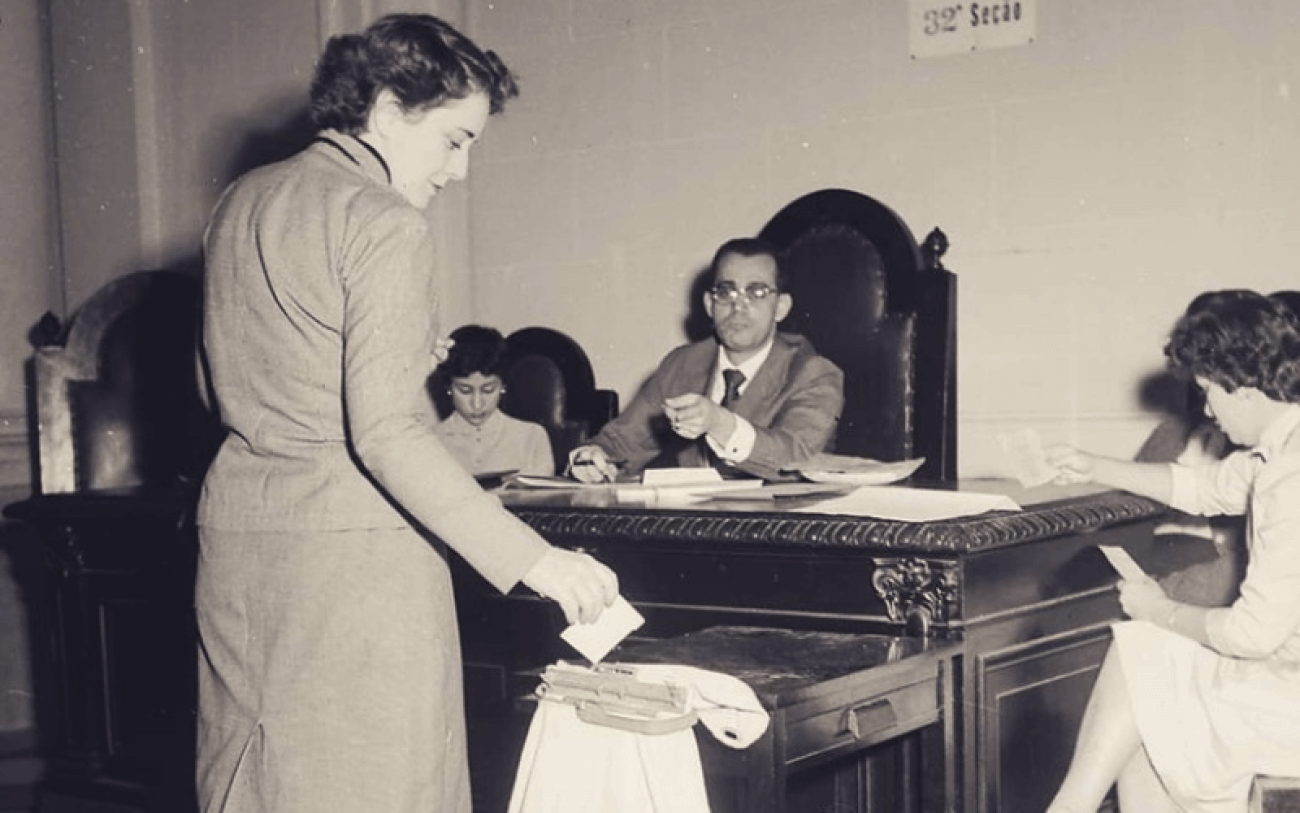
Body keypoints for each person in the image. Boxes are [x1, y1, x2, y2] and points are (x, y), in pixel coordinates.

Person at [196, 14, 618, 813]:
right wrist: (538, 560)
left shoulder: (239, 203)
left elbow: (214, 385)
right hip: (355, 567)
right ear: (389, 111)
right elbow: (384, 434)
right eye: (455, 140)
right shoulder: (383, 218)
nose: (459, 172)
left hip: (239, 550)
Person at [1043, 290, 1300, 813]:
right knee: (1149, 708)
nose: (1206, 408)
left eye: (1209, 391)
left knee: (1146, 659)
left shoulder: (1290, 477)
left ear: (1244, 388)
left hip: (1288, 704)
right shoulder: (1280, 449)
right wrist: (1093, 465)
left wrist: (1160, 610)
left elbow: (1253, 634)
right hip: (1285, 677)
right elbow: (1202, 488)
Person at [569, 237, 844, 483]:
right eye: (726, 292)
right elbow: (623, 440)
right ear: (709, 305)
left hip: (781, 530)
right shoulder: (683, 364)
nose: (738, 306)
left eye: (756, 293)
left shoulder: (814, 374)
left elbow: (795, 459)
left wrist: (720, 424)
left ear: (781, 307)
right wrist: (593, 457)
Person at [435, 324, 555, 477]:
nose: (477, 404)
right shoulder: (430, 442)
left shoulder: (531, 438)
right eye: (465, 391)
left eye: (488, 390)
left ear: (503, 385)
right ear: (448, 387)